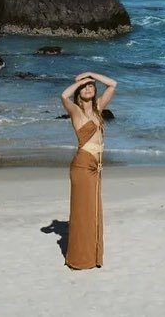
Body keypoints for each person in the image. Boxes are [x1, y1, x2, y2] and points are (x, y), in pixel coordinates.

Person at [60, 71, 117, 270]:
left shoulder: (99, 108)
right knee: (83, 212)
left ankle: (93, 256)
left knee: (93, 211)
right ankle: (80, 258)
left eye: (91, 86)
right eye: (85, 86)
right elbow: (63, 96)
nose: (88, 88)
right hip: (83, 166)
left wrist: (92, 74)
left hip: (96, 166)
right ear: (79, 91)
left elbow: (113, 84)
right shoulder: (75, 111)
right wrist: (79, 82)